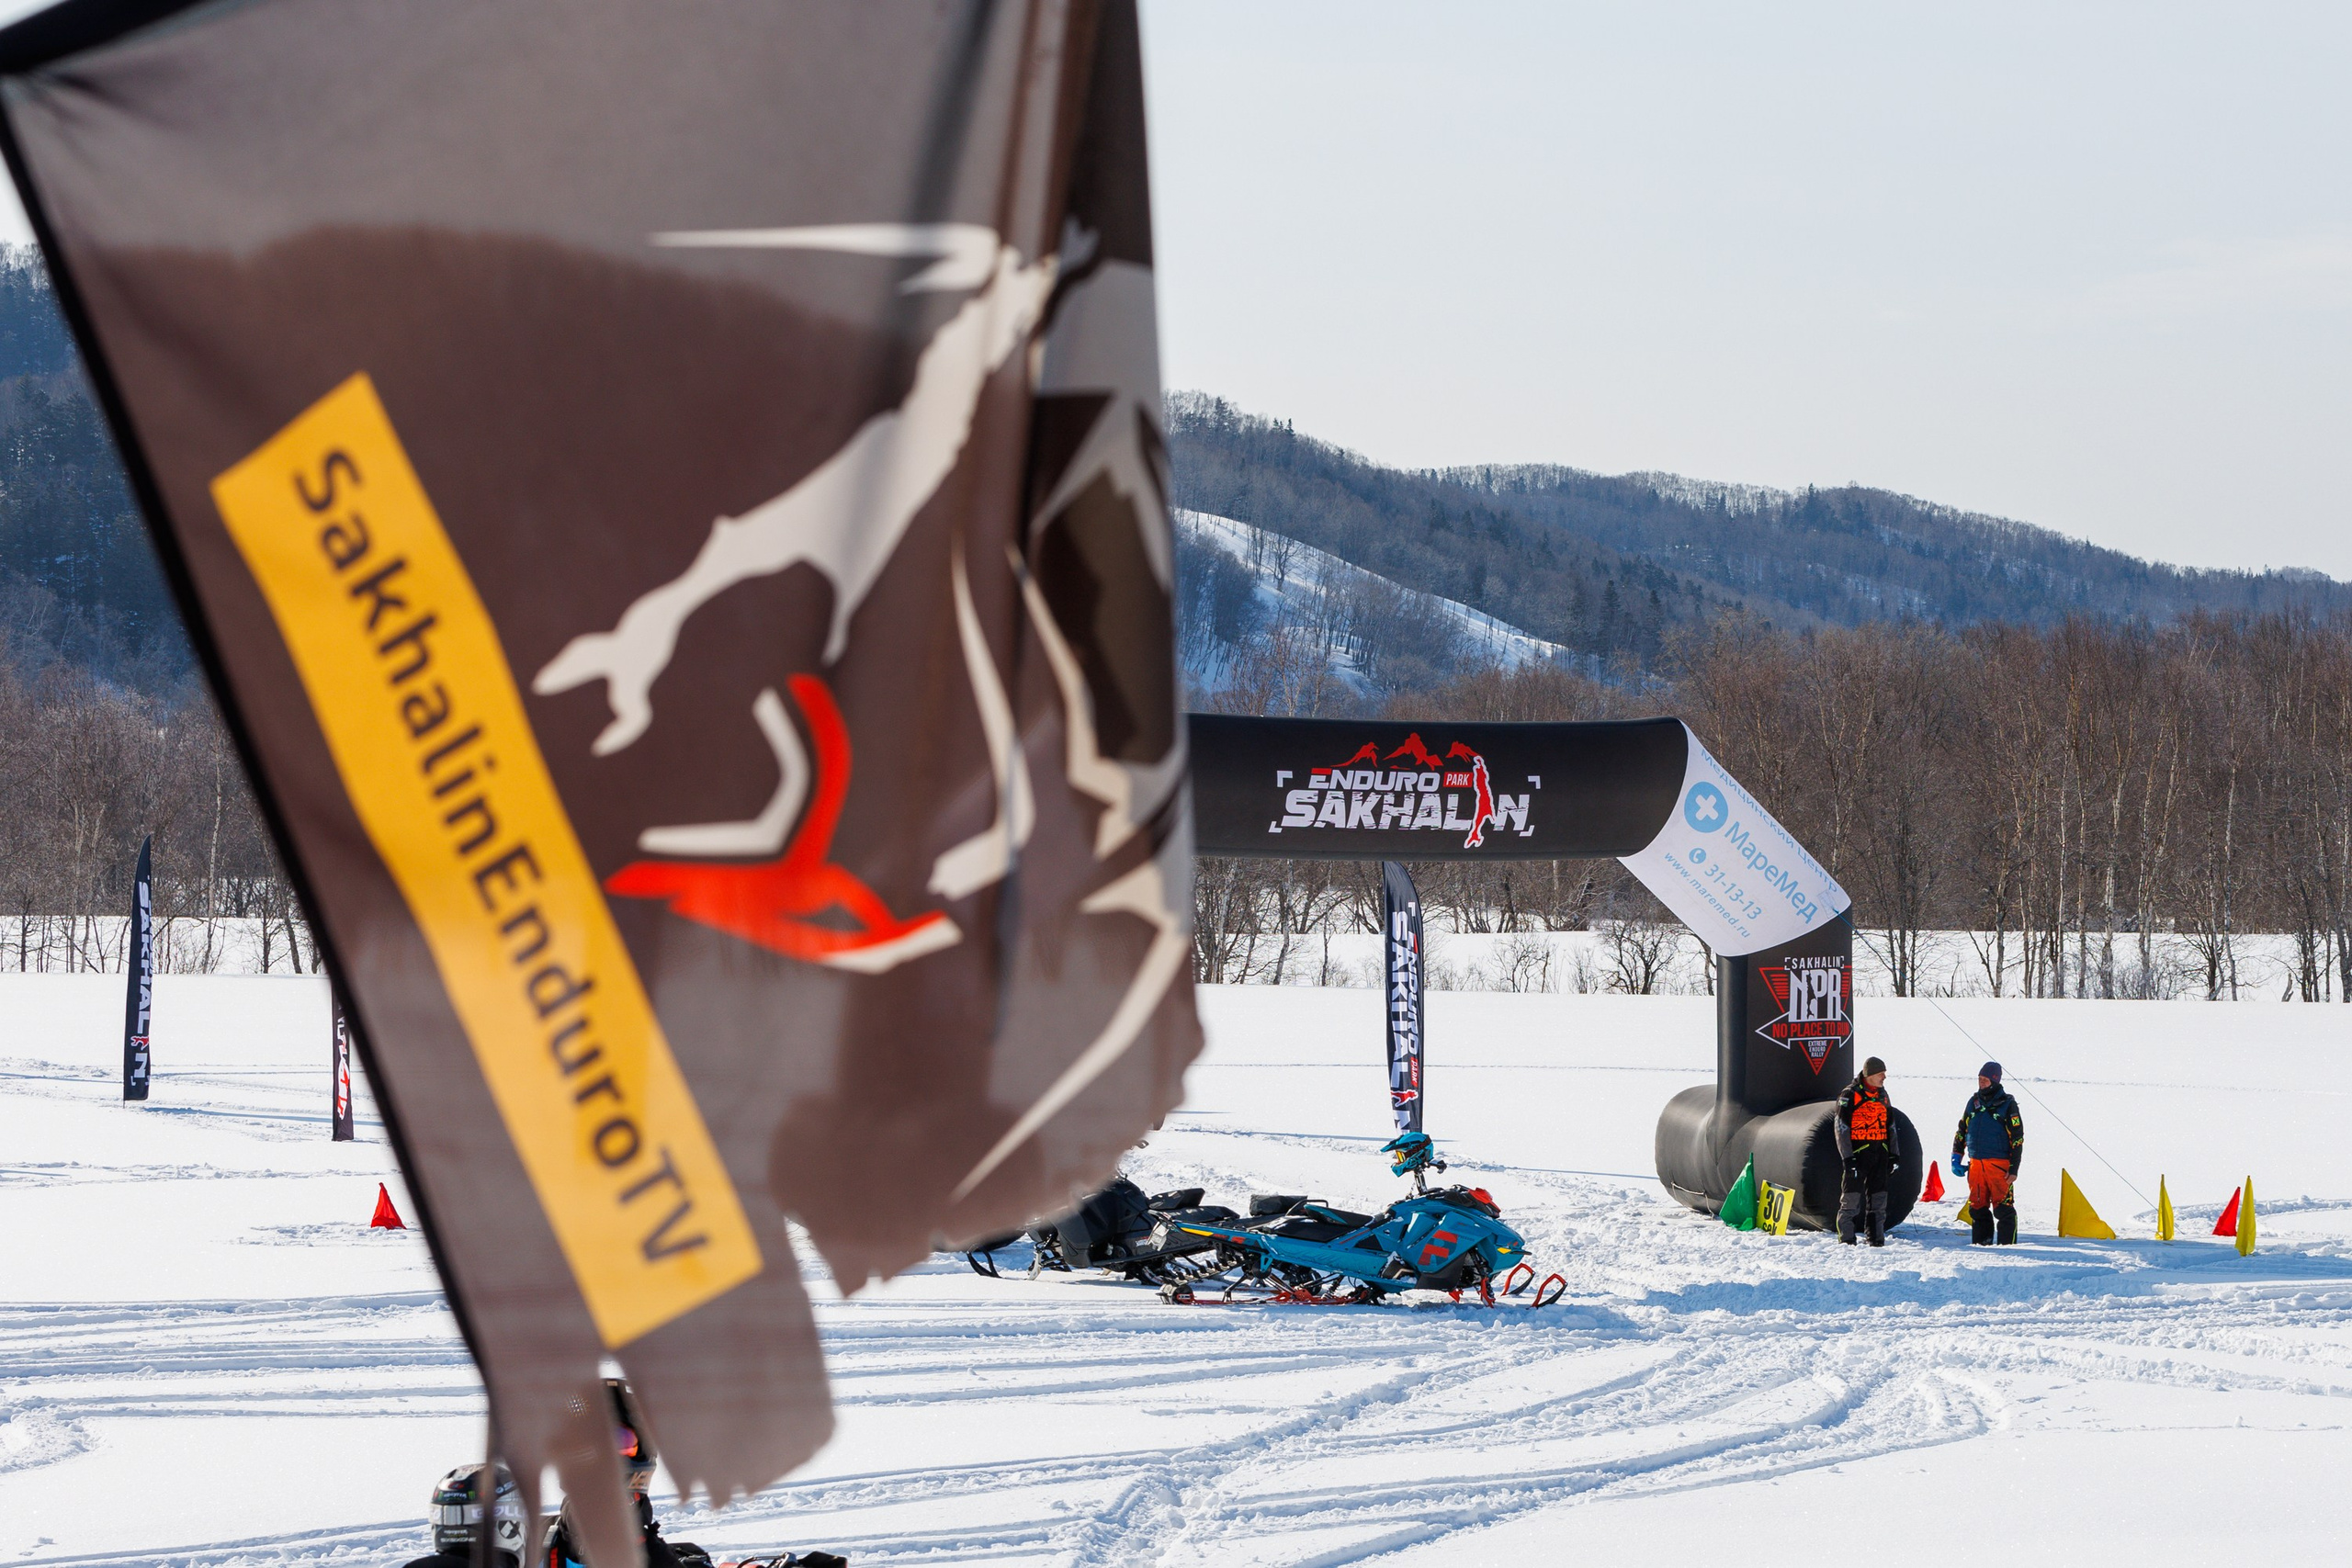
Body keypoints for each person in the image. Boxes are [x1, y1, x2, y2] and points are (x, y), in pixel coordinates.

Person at [1952, 1060, 2024, 1246]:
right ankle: (1982, 1245)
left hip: (1998, 1165)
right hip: (1976, 1164)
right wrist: (1956, 1156)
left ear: (1995, 1080)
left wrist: (2014, 1168)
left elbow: (2017, 1138)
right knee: (1977, 1207)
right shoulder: (1973, 1101)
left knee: (2003, 1209)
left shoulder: (2008, 1104)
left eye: (1985, 1079)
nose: (1981, 1082)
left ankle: (2008, 1247)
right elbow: (1962, 1129)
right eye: (1980, 1079)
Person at [1835, 1055, 1899, 1247]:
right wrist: (1848, 1158)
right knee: (1851, 1201)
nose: (1884, 1077)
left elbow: (1891, 1127)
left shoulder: (1883, 1095)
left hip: (1879, 1152)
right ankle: (1846, 1240)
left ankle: (1876, 1239)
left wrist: (1894, 1154)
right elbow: (1841, 1128)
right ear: (1869, 1074)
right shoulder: (1849, 1095)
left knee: (1879, 1200)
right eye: (1881, 1074)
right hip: (1857, 1154)